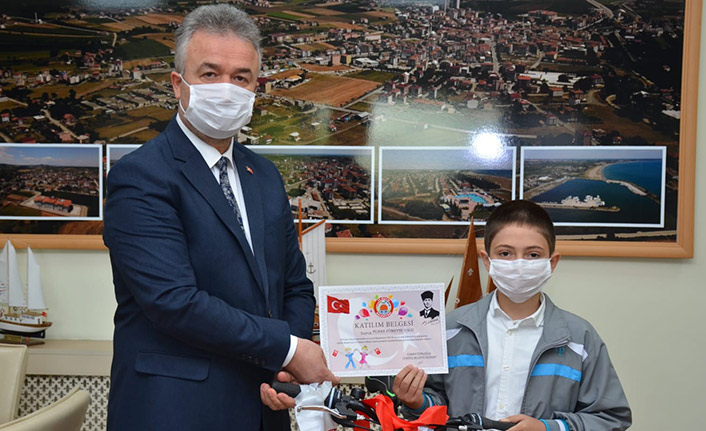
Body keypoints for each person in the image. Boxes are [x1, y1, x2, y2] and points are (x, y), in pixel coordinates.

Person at [103, 5, 336, 430]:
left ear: (255, 88)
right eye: (210, 74)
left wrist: (286, 367)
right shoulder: (140, 176)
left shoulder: (263, 175)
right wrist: (287, 349)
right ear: (178, 84)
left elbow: (295, 286)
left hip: (266, 403)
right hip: (176, 410)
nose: (226, 89)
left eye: (241, 77)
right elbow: (174, 301)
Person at [393, 200, 632, 431]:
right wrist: (417, 402)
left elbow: (610, 417)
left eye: (533, 255)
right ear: (487, 261)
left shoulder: (580, 338)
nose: (519, 264)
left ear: (552, 262)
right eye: (505, 253)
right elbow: (436, 405)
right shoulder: (449, 329)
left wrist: (549, 428)